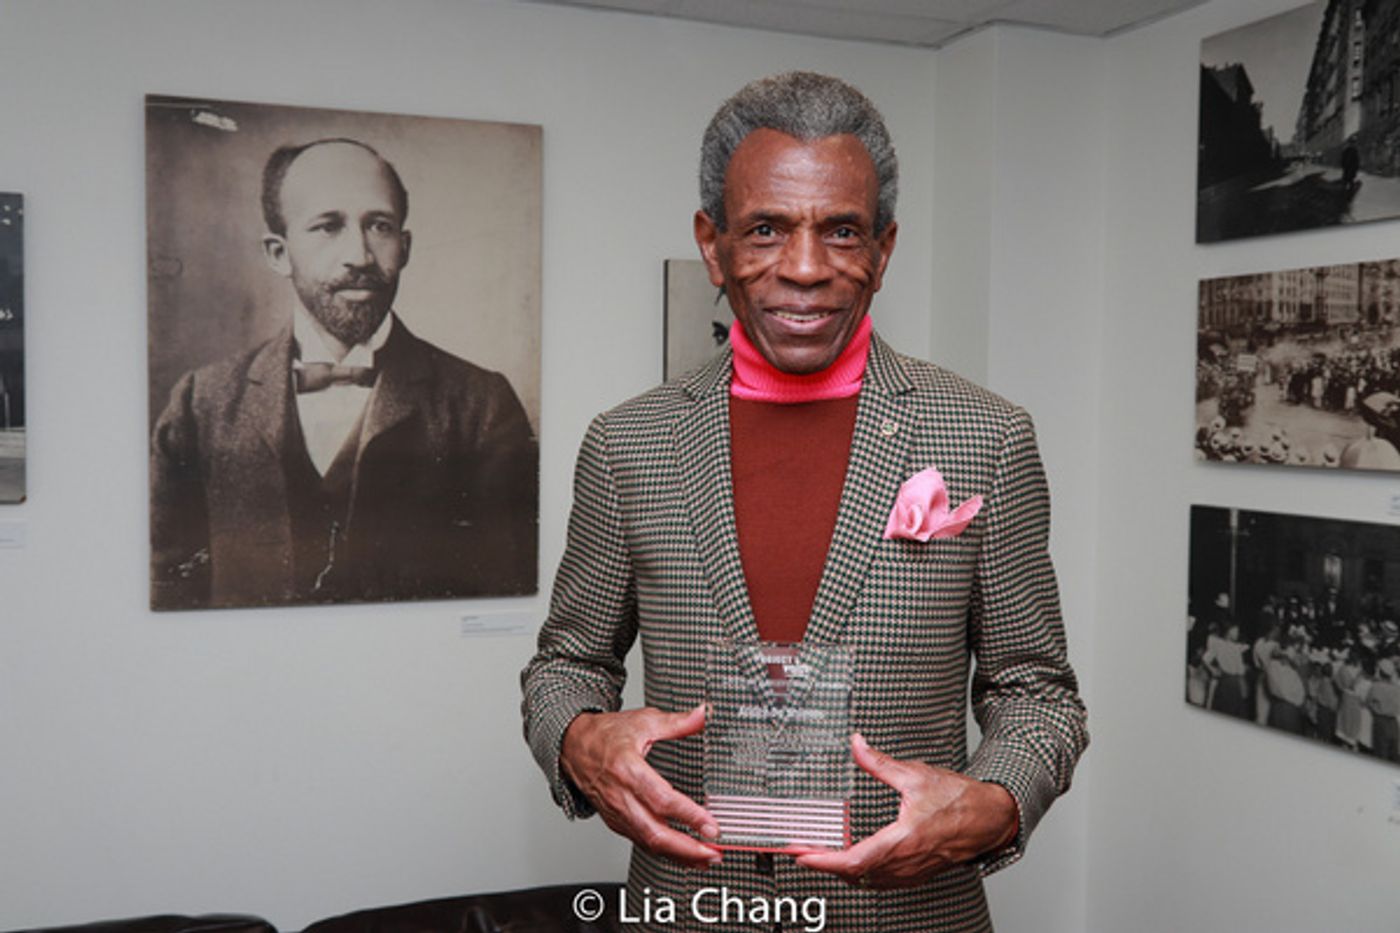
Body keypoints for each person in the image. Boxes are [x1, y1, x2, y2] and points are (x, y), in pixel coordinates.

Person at [521, 72, 1087, 932]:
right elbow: (567, 664)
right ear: (713, 245)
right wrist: (576, 738)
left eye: (841, 230)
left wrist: (998, 798)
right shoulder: (627, 443)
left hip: (906, 915)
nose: (806, 267)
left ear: (883, 249)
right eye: (766, 229)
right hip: (691, 908)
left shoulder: (987, 436)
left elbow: (1037, 691)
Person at [150, 138, 537, 610]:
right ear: (278, 253)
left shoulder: (482, 406)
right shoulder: (200, 403)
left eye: (379, 226)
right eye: (327, 227)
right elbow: (166, 596)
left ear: (405, 247)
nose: (360, 255)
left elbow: (507, 599)